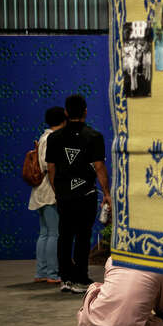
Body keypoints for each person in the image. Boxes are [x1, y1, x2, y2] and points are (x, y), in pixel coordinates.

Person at [45, 94, 108, 294]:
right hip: (86, 194)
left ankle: (65, 278)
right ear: (85, 111)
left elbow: (51, 167)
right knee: (83, 236)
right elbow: (99, 167)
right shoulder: (94, 136)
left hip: (64, 195)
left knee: (64, 235)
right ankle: (80, 279)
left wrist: (58, 189)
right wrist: (106, 193)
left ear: (66, 112)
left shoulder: (54, 138)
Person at [29, 106, 66, 285]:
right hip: (50, 188)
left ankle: (41, 272)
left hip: (40, 190)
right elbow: (49, 165)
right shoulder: (52, 138)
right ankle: (52, 273)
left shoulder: (44, 137)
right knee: (54, 233)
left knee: (45, 232)